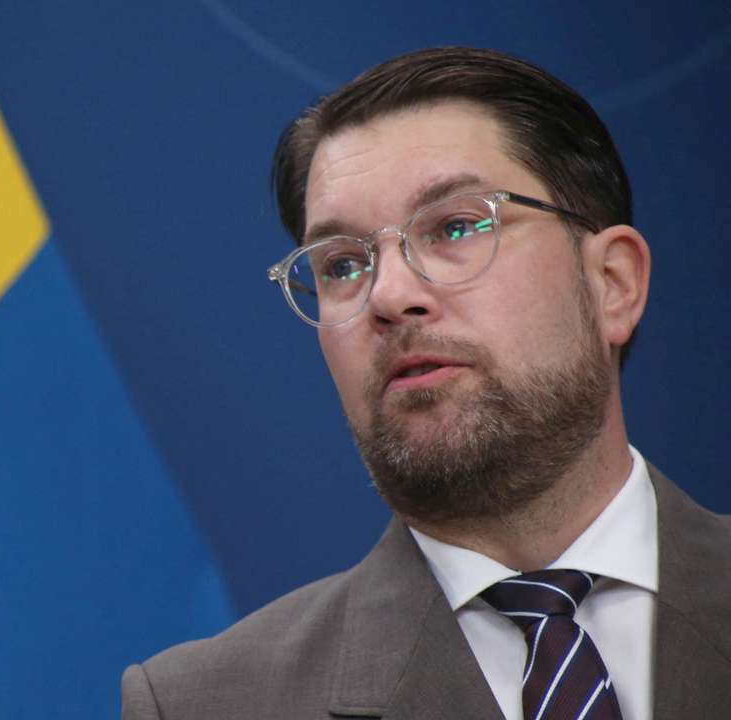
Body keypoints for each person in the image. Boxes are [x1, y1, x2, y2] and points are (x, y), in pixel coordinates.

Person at [121, 47, 731, 720]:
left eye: (457, 226)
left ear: (612, 284)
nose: (388, 294)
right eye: (342, 264)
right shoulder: (208, 707)